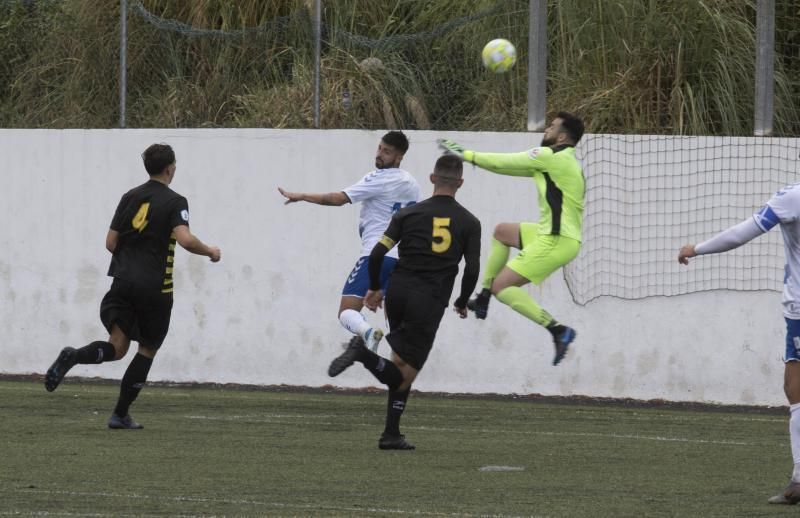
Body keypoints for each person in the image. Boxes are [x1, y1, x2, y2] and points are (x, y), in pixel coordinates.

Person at [44, 143, 221, 429]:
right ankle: (120, 414)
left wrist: (132, 261)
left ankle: (74, 356)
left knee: (118, 346)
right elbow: (186, 240)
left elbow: (110, 243)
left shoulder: (130, 196)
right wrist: (210, 251)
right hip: (155, 289)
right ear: (170, 168)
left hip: (122, 282)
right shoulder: (176, 201)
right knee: (147, 348)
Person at [327, 153, 481, 450]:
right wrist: (462, 300)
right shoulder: (469, 222)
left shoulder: (407, 215)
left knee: (401, 364)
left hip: (397, 291)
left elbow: (376, 254)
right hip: (429, 298)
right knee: (403, 373)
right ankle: (362, 352)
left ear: (432, 178)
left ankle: (391, 433)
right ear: (460, 183)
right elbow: (471, 268)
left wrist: (374, 287)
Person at [677, 182, 800, 505]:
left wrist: (697, 248)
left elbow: (743, 232)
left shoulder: (792, 197)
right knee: (794, 385)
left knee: (797, 388)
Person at [437, 111, 585, 366]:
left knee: (502, 287)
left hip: (557, 239)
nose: (546, 130)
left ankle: (558, 330)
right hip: (552, 234)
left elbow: (501, 163)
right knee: (502, 232)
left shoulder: (550, 157)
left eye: (551, 127)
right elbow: (507, 169)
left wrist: (466, 154)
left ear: (562, 136)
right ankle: (483, 298)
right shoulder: (563, 161)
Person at [278, 131, 421, 352]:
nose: (380, 154)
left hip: (376, 256)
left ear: (399, 157)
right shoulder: (412, 183)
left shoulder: (378, 178)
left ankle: (368, 333)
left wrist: (302, 196)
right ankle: (397, 371)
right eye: (380, 148)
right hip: (402, 260)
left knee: (346, 312)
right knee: (395, 323)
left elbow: (339, 199)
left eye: (387, 152)